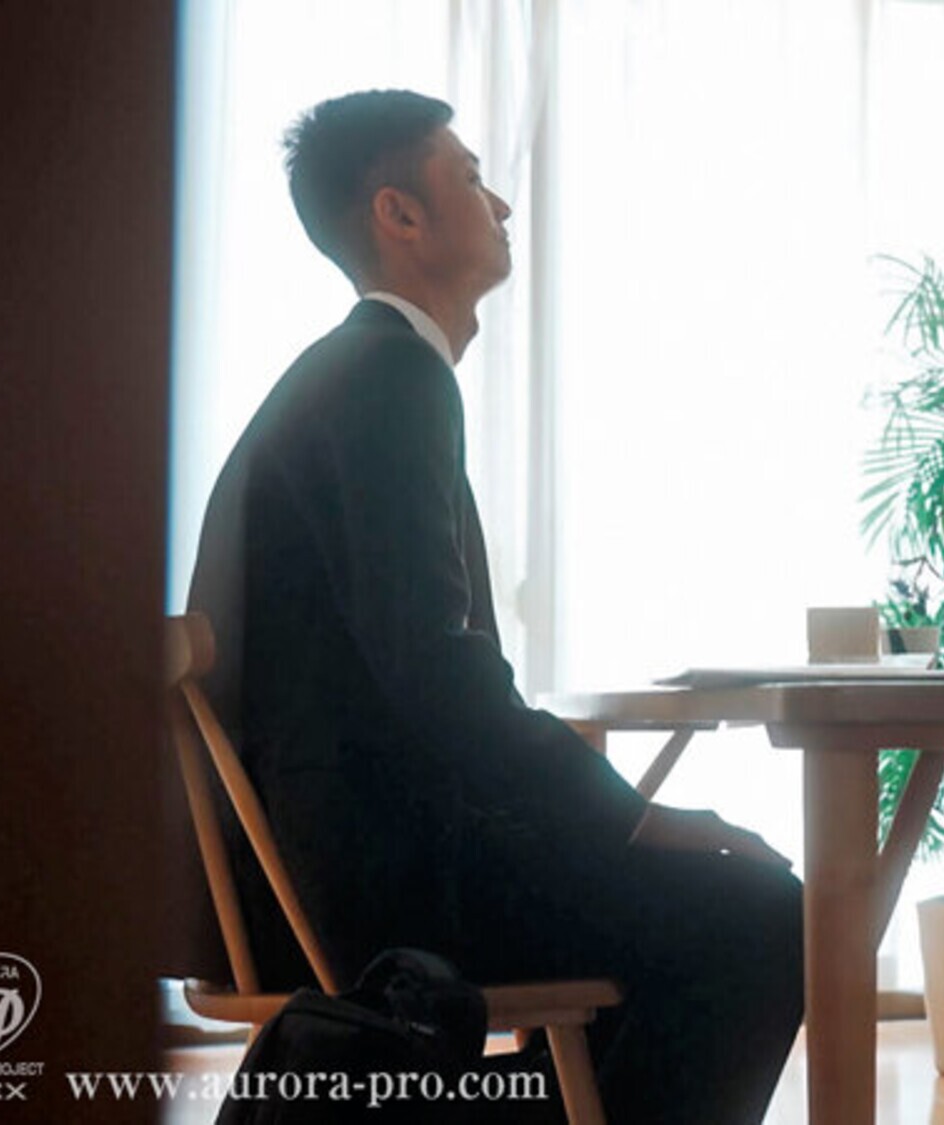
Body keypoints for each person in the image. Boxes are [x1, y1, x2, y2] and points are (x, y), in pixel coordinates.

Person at [187, 89, 803, 1124]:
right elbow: (439, 674)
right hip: (372, 893)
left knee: (702, 915)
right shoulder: (389, 378)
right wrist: (632, 817)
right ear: (399, 214)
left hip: (309, 874)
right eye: (471, 178)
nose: (502, 205)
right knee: (764, 914)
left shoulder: (347, 376)